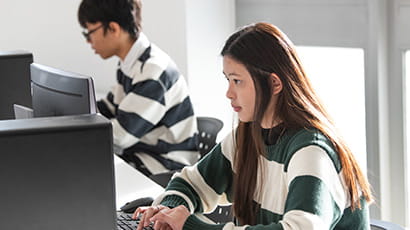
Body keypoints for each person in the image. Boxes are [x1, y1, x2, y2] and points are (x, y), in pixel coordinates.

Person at [133, 22, 373, 230]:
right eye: (227, 80)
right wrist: (168, 211)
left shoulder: (312, 151)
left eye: (238, 81)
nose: (228, 93)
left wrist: (191, 226)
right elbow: (191, 183)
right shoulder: (247, 136)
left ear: (274, 83)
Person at [77, 0, 199, 176]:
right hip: (142, 153)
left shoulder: (153, 71)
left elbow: (121, 136)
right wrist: (73, 118)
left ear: (113, 28)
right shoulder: (131, 63)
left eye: (89, 32)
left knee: (83, 169)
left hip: (163, 165)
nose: (89, 41)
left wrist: (75, 136)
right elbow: (110, 107)